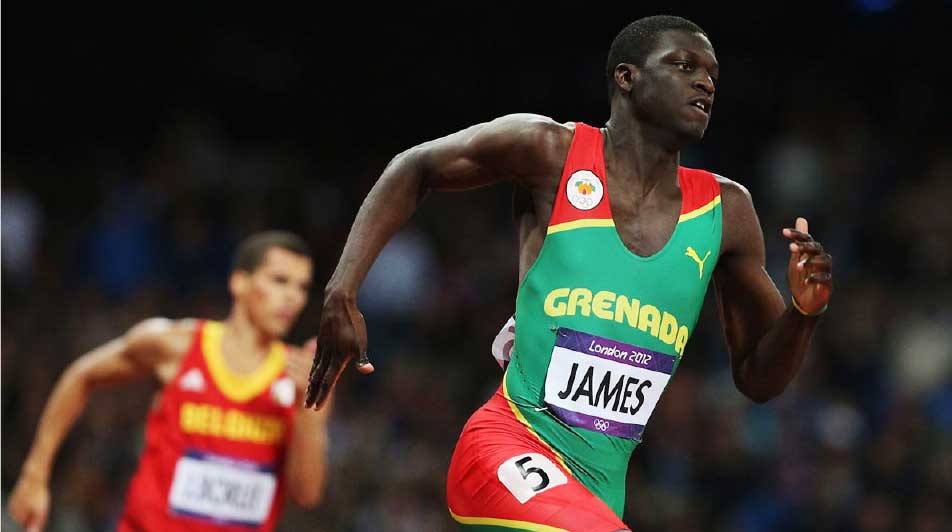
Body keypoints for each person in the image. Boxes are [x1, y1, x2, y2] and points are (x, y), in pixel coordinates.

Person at [305, 14, 833, 532]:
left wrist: (805, 313)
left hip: (597, 496)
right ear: (626, 77)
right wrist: (341, 292)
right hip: (508, 448)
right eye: (684, 65)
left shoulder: (726, 211)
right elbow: (414, 166)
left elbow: (759, 378)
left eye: (713, 74)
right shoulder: (550, 151)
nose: (705, 82)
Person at [8, 231, 330, 532]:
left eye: (302, 287)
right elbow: (81, 375)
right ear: (239, 283)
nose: (292, 297)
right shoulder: (177, 345)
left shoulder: (301, 375)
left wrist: (308, 414)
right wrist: (35, 474)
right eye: (279, 281)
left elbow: (306, 495)